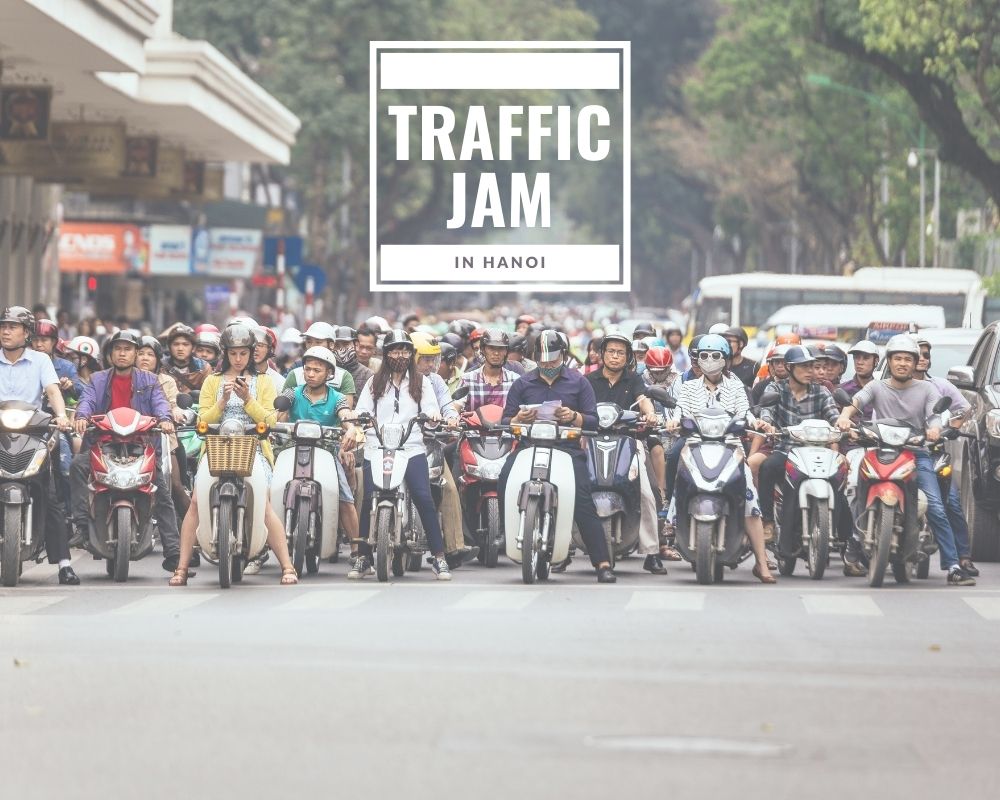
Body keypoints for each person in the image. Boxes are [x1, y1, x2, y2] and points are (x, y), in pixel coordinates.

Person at [836, 334, 975, 586]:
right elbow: (856, 403)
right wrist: (845, 417)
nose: (902, 363)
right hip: (878, 451)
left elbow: (934, 415)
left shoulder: (927, 389)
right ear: (889, 361)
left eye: (907, 359)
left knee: (935, 505)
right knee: (856, 490)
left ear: (915, 363)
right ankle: (855, 543)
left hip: (917, 454)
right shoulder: (876, 386)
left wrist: (934, 429)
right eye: (897, 358)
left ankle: (954, 565)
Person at [169, 324, 298, 586]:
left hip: (252, 449)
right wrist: (222, 403)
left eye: (243, 353)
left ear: (252, 354)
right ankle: (181, 568)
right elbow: (202, 421)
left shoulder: (262, 382)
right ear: (224, 354)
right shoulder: (212, 382)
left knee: (264, 505)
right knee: (195, 502)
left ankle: (287, 566)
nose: (238, 359)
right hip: (216, 448)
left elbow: (270, 420)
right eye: (233, 354)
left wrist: (248, 399)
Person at [500, 330, 618, 583]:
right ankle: (505, 533)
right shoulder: (523, 383)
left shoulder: (579, 382)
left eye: (553, 361)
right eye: (543, 361)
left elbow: (594, 420)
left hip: (567, 449)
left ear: (563, 356)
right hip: (529, 446)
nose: (548, 366)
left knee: (583, 500)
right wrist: (519, 419)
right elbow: (506, 420)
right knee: (504, 480)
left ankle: (602, 562)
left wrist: (573, 417)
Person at [664, 334, 776, 583]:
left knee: (749, 500)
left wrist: (756, 422)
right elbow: (680, 409)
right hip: (695, 445)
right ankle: (671, 520)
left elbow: (745, 412)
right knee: (679, 474)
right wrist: (673, 420)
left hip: (731, 446)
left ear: (725, 360)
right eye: (704, 356)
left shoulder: (735, 385)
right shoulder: (689, 386)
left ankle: (761, 562)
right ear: (697, 359)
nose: (710, 360)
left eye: (716, 356)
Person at [71, 330, 181, 574]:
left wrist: (164, 419)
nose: (122, 353)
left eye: (128, 349)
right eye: (118, 349)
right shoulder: (98, 379)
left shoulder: (149, 380)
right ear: (110, 354)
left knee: (161, 490)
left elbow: (161, 404)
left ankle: (173, 552)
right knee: (77, 467)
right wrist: (81, 417)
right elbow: (87, 401)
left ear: (134, 353)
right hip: (102, 443)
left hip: (141, 444)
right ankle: (80, 526)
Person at [351, 330, 452, 580]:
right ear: (386, 354)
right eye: (395, 350)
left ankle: (439, 558)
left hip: (411, 447)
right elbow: (362, 410)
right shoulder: (375, 382)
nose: (401, 355)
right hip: (377, 447)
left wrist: (433, 416)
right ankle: (363, 557)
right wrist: (356, 418)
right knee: (367, 497)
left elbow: (430, 410)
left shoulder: (422, 382)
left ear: (411, 353)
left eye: (405, 350)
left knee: (423, 497)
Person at [0, 306, 77, 584]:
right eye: (3, 326)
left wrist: (60, 415)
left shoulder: (40, 360)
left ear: (27, 332)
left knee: (49, 491)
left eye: (12, 326)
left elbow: (53, 391)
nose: (5, 331)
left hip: (34, 431)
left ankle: (64, 564)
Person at [586, 332, 667, 574]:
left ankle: (652, 552)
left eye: (621, 352)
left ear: (628, 357)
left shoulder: (634, 380)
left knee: (647, 493)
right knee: (572, 487)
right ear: (602, 355)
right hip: (590, 442)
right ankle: (561, 550)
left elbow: (643, 400)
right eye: (611, 351)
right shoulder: (588, 380)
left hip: (628, 442)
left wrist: (650, 413)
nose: (615, 356)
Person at [752, 346, 844, 557]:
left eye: (811, 366)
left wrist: (842, 423)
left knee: (840, 479)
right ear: (789, 368)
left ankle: (845, 537)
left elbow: (833, 415)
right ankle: (767, 522)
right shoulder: (775, 389)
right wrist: (767, 425)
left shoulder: (821, 391)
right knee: (767, 467)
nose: (810, 371)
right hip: (787, 451)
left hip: (818, 452)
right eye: (804, 366)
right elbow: (766, 412)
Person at [277, 346, 363, 567]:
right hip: (293, 451)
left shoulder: (338, 397)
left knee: (344, 497)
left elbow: (345, 414)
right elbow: (279, 412)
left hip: (327, 452)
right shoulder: (293, 393)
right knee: (272, 489)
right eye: (308, 369)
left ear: (329, 374)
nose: (311, 374)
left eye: (317, 370)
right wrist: (278, 416)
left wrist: (351, 427)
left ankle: (357, 551)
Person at [914, 337, 978, 577]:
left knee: (950, 502)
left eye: (925, 355)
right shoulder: (889, 387)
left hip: (933, 455)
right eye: (915, 354)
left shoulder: (940, 386)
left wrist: (949, 426)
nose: (921, 359)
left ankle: (962, 557)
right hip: (900, 453)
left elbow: (965, 409)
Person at [412, 333, 476, 567]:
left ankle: (454, 547)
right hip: (395, 445)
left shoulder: (436, 382)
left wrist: (450, 418)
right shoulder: (394, 380)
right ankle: (365, 548)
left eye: (433, 359)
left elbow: (449, 407)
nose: (430, 365)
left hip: (429, 444)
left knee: (448, 487)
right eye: (425, 359)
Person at [136, 336, 191, 523]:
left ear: (158, 360)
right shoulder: (125, 378)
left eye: (150, 354)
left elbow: (174, 402)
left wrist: (175, 412)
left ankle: (192, 535)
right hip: (129, 438)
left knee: (175, 486)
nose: (144, 358)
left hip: (163, 438)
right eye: (140, 353)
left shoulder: (166, 381)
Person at [283, 322, 357, 406]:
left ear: (331, 345)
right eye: (309, 342)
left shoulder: (344, 376)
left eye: (318, 342)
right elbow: (283, 411)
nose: (312, 346)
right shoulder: (294, 374)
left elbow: (345, 414)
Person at [32, 318, 83, 401]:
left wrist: (70, 386)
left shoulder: (67, 367)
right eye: (35, 340)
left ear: (53, 342)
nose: (38, 344)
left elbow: (82, 395)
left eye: (44, 340)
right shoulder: (25, 364)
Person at [163, 325, 211, 393]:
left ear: (193, 348)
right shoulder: (161, 367)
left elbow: (208, 395)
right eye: (176, 344)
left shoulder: (204, 368)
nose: (180, 349)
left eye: (185, 344)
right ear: (169, 347)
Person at [332, 326, 374, 395]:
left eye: (345, 344)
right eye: (337, 345)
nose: (340, 349)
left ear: (356, 345)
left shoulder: (367, 375)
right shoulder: (328, 372)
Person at [251, 326, 284, 395]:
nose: (255, 349)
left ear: (271, 349)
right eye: (252, 345)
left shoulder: (279, 382)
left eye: (260, 345)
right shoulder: (239, 376)